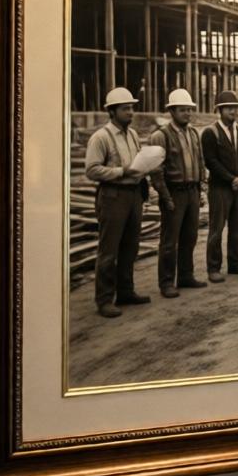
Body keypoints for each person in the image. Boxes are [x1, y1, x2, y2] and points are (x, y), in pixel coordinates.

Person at [84, 87, 151, 318]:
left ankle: (125, 291)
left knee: (130, 247)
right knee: (109, 250)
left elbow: (139, 161)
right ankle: (104, 300)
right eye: (125, 109)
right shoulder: (101, 137)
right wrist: (121, 171)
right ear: (112, 112)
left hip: (133, 196)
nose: (130, 112)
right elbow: (91, 170)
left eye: (131, 108)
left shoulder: (132, 135)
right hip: (112, 196)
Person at [148, 88, 207, 298]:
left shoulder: (193, 133)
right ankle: (166, 282)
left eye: (189, 110)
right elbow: (156, 170)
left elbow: (200, 162)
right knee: (169, 241)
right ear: (171, 112)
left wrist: (201, 188)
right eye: (182, 110)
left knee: (189, 237)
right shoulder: (160, 136)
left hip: (191, 190)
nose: (187, 114)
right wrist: (165, 196)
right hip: (174, 193)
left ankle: (185, 276)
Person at [202, 90, 238, 282]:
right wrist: (231, 178)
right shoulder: (210, 133)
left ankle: (235, 263)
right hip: (220, 188)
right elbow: (211, 162)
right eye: (229, 108)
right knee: (216, 229)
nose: (233, 111)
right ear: (220, 110)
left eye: (235, 108)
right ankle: (213, 268)